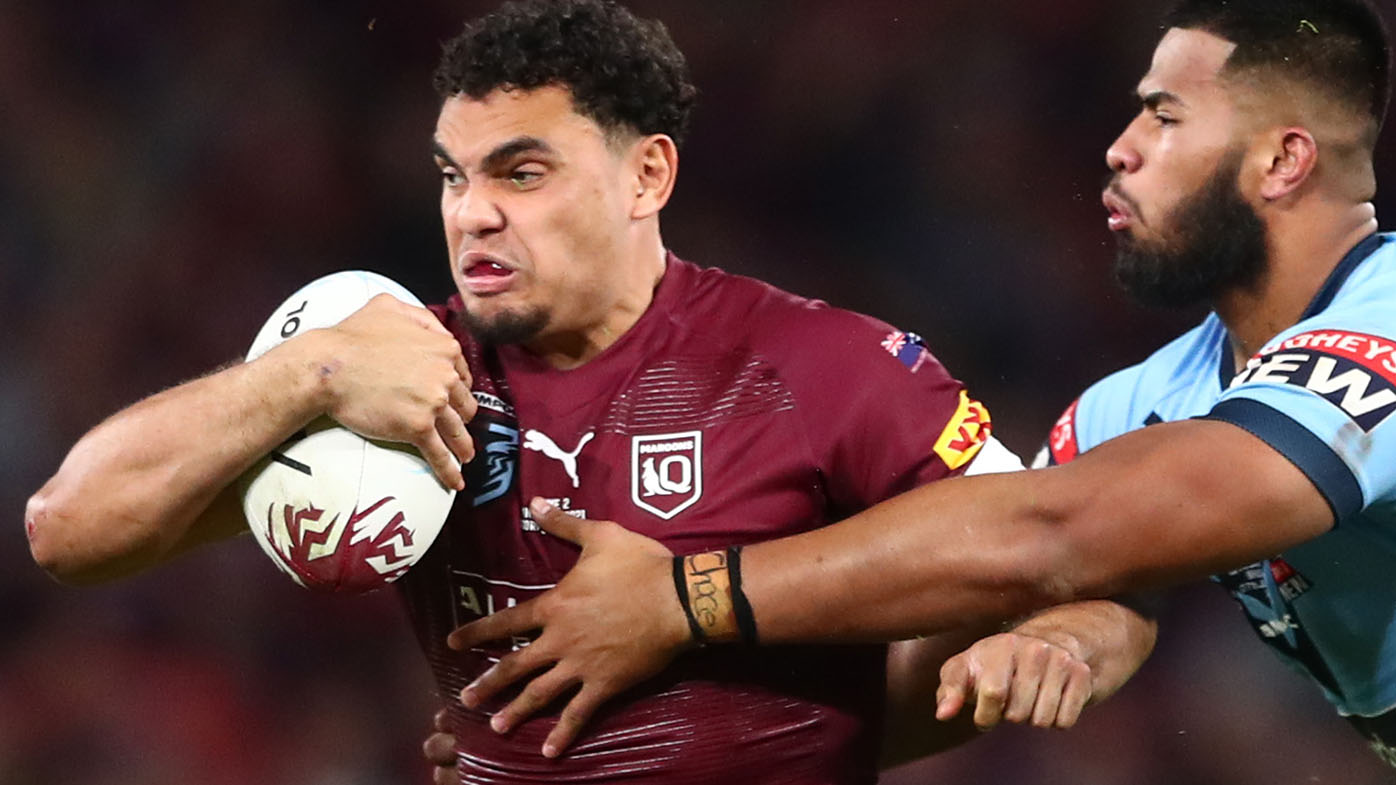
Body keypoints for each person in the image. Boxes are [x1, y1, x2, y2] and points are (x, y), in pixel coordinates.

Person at [23, 1, 1155, 782]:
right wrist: (299, 372)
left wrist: (1060, 640)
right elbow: (69, 530)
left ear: (645, 174)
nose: (472, 212)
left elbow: (1076, 567)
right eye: (453, 176)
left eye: (522, 172)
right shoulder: (399, 378)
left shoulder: (815, 365)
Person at [444, 0, 1396, 766]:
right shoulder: (1146, 400)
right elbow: (1085, 590)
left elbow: (1052, 534)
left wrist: (686, 598)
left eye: (1165, 114)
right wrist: (579, 753)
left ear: (1283, 159)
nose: (1122, 147)